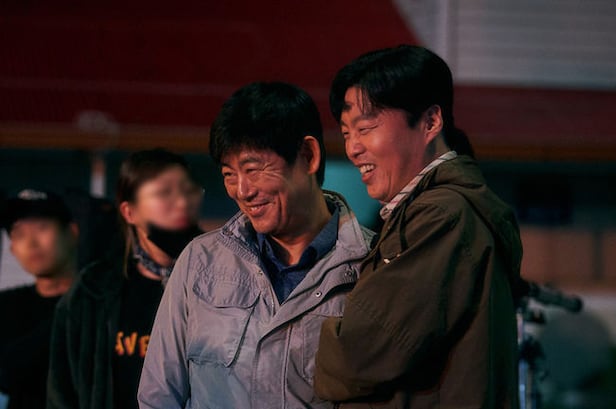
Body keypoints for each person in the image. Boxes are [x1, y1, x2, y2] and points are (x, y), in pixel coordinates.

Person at [138, 82, 374, 409]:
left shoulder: (372, 265)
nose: (242, 190)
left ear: (308, 156)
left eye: (253, 169)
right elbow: (158, 396)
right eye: (229, 174)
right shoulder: (199, 261)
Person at [313, 45, 523, 408]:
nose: (353, 148)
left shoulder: (439, 218)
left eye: (365, 128)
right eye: (346, 133)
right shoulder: (438, 211)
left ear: (430, 122)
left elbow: (358, 354)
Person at [47, 149, 204, 409]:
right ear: (130, 212)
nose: (182, 202)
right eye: (164, 193)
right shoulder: (93, 289)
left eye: (188, 190)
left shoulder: (220, 281)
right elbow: (62, 391)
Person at [0, 190, 77, 409]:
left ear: (72, 232)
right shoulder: (6, 306)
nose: (31, 243)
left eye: (42, 227)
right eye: (19, 234)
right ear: (12, 249)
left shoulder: (98, 303)